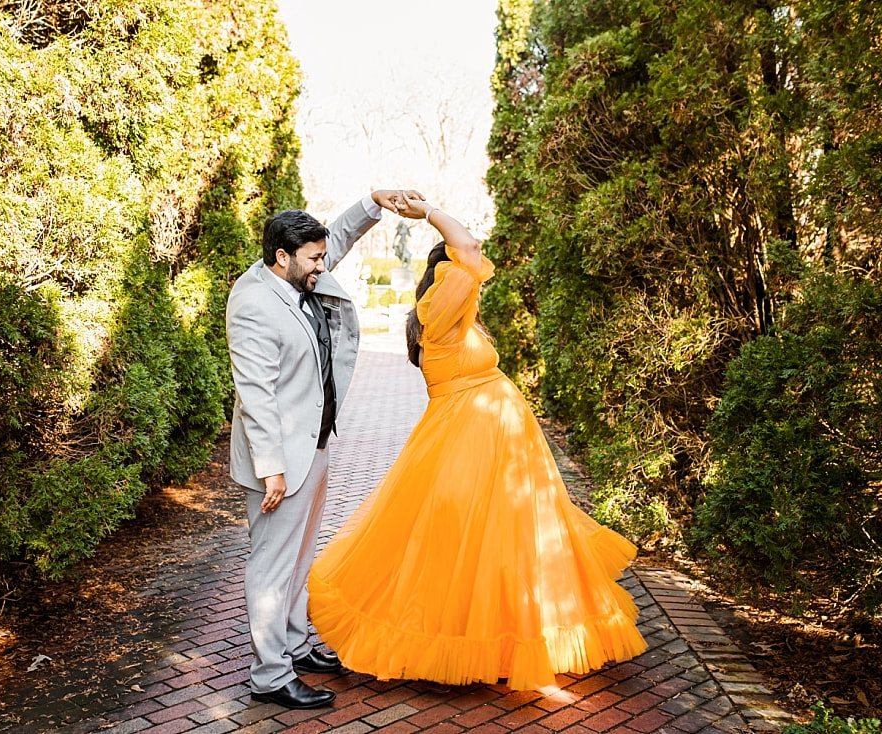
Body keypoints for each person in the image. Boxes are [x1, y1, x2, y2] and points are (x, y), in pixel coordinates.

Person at [308, 199, 647, 691]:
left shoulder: (456, 318)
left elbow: (468, 258)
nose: (472, 284)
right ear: (444, 279)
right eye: (461, 278)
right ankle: (471, 643)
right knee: (469, 541)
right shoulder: (440, 313)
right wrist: (428, 211)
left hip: (497, 442)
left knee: (505, 542)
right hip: (469, 440)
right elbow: (468, 247)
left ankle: (511, 638)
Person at [226, 189, 423, 709]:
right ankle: (269, 676)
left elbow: (336, 238)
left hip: (313, 446)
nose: (323, 264)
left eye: (321, 255)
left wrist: (374, 202)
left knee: (298, 556)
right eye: (314, 259)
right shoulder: (252, 305)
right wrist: (271, 470)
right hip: (280, 464)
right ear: (282, 257)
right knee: (271, 565)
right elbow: (255, 396)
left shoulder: (296, 272)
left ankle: (293, 644)